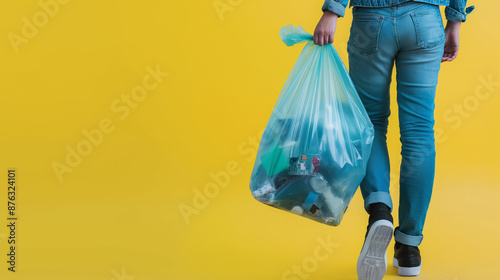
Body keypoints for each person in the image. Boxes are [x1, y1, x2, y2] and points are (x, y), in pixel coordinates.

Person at [313, 0, 474, 279]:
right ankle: (409, 247)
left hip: (371, 22)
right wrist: (455, 20)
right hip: (424, 22)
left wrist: (332, 11)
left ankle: (379, 211)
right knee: (419, 132)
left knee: (371, 124)